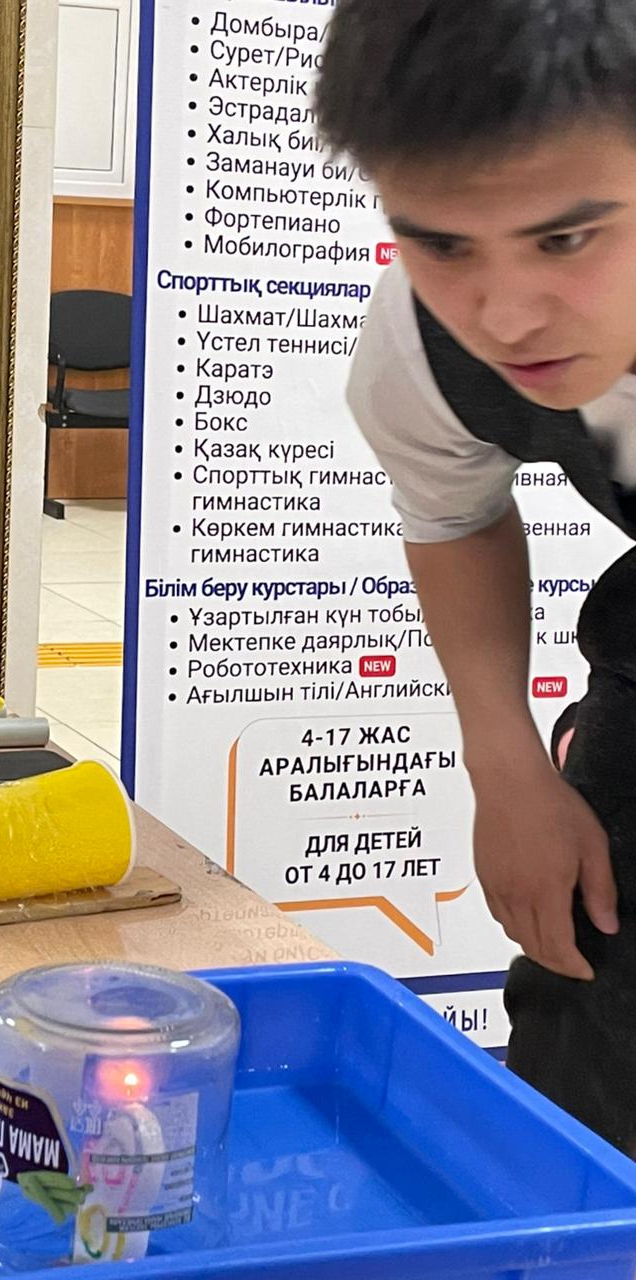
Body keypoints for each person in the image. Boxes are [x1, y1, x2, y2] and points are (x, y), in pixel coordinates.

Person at [315, 0, 636, 1145]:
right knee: (591, 1016)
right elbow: (453, 513)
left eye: (567, 239)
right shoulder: (416, 349)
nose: (504, 316)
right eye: (444, 245)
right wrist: (507, 768)